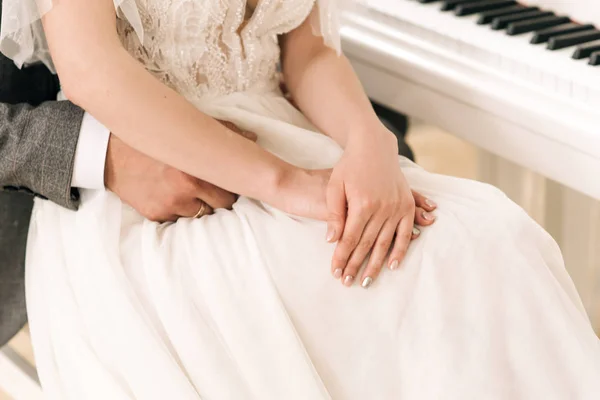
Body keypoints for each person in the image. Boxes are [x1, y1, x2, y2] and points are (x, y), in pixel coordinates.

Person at [2, 0, 599, 398]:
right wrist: (288, 185)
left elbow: (309, 54)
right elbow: (91, 70)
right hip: (160, 171)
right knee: (352, 290)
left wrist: (371, 144)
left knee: (493, 238)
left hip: (286, 128)